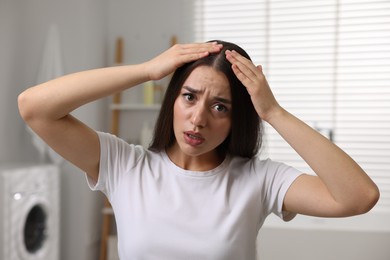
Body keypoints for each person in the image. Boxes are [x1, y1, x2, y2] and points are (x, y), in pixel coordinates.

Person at [18, 40, 379, 260]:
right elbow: (34, 107)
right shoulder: (124, 165)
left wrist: (272, 111)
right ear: (173, 100)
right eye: (189, 97)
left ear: (239, 118)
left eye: (220, 106)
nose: (199, 118)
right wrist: (147, 70)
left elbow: (358, 197)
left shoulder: (260, 179)